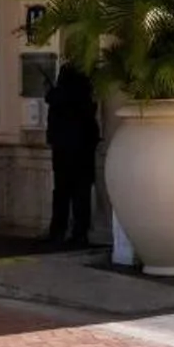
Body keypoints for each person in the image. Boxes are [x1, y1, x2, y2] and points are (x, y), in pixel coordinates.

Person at [43, 61, 99, 249]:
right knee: (81, 196)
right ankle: (79, 233)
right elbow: (93, 131)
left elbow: (52, 130)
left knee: (61, 194)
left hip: (63, 155)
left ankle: (58, 232)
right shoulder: (85, 102)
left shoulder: (57, 101)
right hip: (83, 156)